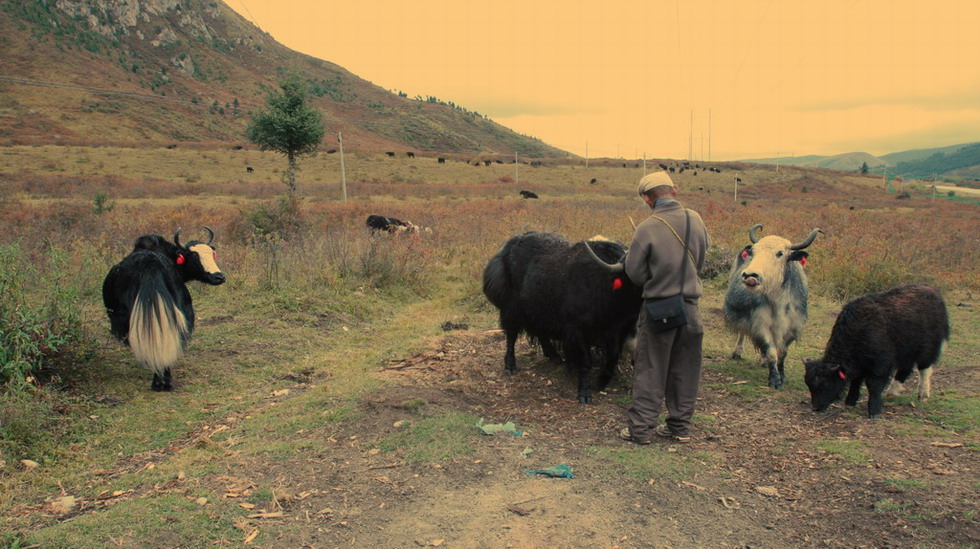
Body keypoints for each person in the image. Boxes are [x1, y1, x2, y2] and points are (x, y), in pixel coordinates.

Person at [620, 171, 710, 444]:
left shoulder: (648, 226)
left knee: (651, 368)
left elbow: (634, 272)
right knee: (685, 368)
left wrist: (657, 281)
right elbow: (701, 260)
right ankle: (679, 428)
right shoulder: (695, 219)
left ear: (647, 198)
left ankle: (640, 430)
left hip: (660, 308)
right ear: (675, 189)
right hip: (691, 308)